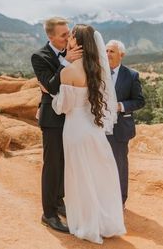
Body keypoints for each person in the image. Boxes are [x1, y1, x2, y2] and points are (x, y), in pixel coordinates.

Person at [52, 24, 126, 244]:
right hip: (94, 130)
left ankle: (86, 224)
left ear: (77, 42)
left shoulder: (68, 71)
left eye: (71, 36)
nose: (69, 39)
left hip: (74, 130)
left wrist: (50, 94)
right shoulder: (97, 68)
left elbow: (62, 107)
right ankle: (105, 223)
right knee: (98, 176)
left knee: (79, 178)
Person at [31, 17, 82, 233]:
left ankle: (59, 201)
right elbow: (52, 88)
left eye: (68, 33)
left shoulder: (73, 51)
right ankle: (48, 214)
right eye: (63, 35)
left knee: (65, 162)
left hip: (71, 116)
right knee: (52, 165)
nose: (68, 38)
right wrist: (65, 62)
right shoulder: (39, 57)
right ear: (50, 37)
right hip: (52, 120)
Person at [105, 40, 145, 207]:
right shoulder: (98, 73)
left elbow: (139, 101)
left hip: (120, 129)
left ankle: (120, 201)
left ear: (121, 55)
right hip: (99, 127)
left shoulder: (131, 75)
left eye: (112, 51)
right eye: (106, 50)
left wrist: (121, 106)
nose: (107, 54)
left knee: (119, 164)